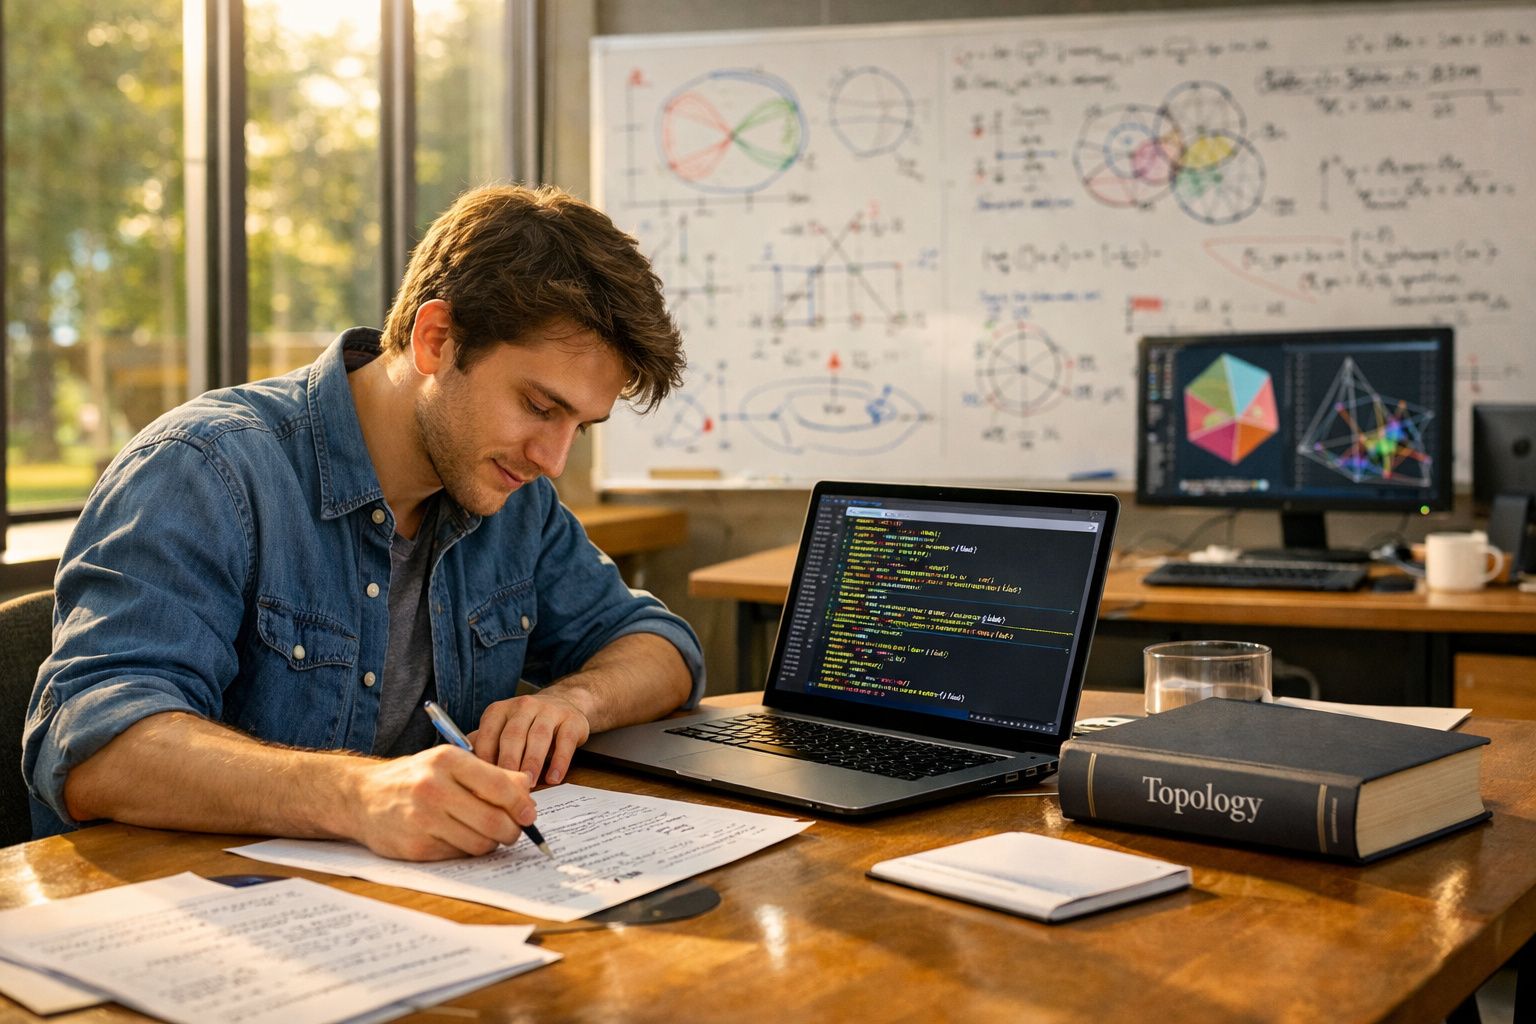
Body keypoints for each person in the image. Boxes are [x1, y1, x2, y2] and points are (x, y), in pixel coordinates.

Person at [23, 184, 704, 861]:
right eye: (539, 406)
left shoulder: (512, 498)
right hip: (187, 904)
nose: (552, 460)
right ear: (437, 339)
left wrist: (574, 702)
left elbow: (663, 647)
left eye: (580, 427)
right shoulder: (204, 469)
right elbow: (94, 746)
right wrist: (359, 795)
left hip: (413, 899)